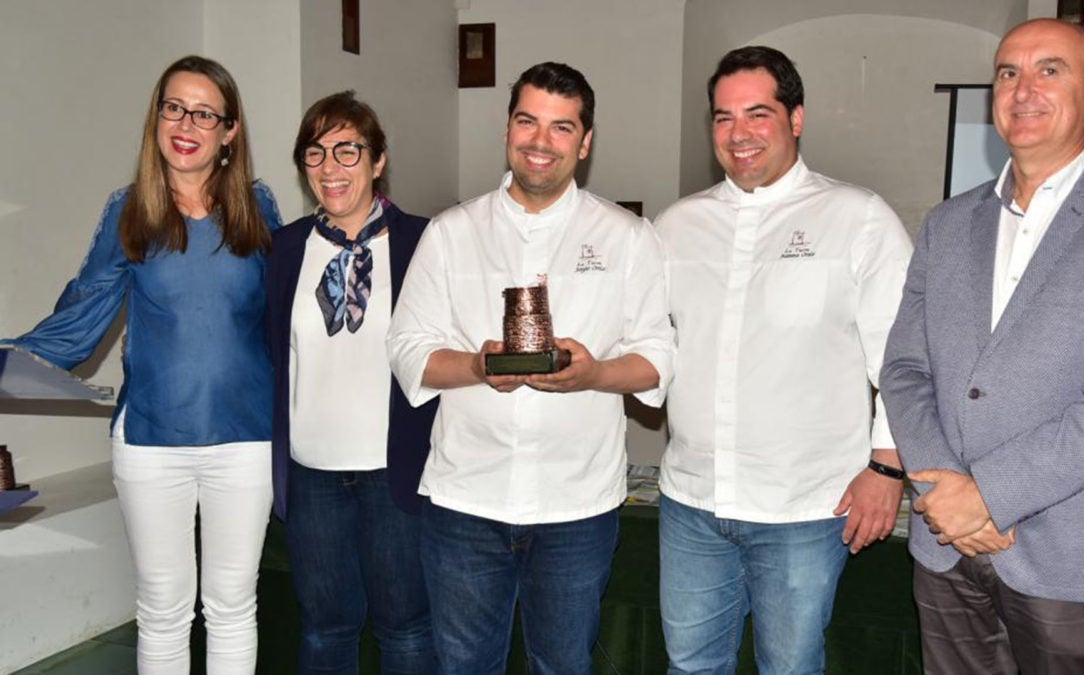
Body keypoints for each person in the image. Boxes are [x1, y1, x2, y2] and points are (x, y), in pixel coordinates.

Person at [880, 19, 1084, 674]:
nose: (1023, 89)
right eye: (1008, 73)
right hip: (944, 546)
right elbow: (906, 368)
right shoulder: (948, 224)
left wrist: (990, 495)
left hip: (1068, 551)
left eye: (1051, 70)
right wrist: (948, 495)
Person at [386, 61, 674, 674]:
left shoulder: (628, 237)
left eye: (562, 127)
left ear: (586, 141)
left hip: (576, 505)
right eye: (528, 121)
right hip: (465, 500)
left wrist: (593, 374)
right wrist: (476, 364)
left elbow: (655, 361)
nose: (541, 142)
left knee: (563, 666)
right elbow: (408, 348)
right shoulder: (450, 232)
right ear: (507, 128)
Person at [8, 56, 283, 672]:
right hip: (151, 443)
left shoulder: (258, 209)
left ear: (229, 131)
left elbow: (288, 316)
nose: (186, 123)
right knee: (162, 609)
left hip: (247, 440)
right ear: (157, 117)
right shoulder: (128, 209)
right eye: (173, 106)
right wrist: (7, 357)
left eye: (204, 113)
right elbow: (80, 315)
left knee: (233, 605)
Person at [654, 45, 913, 674]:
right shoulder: (676, 227)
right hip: (691, 505)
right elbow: (644, 346)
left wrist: (887, 469)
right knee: (689, 667)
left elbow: (904, 359)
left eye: (758, 114)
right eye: (722, 117)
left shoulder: (859, 219)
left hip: (804, 508)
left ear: (796, 118)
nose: (738, 134)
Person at [265, 91, 437, 674]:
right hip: (313, 475)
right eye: (315, 154)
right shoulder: (284, 249)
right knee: (324, 630)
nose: (330, 168)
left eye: (347, 150)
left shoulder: (423, 242)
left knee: (407, 628)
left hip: (396, 471)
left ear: (378, 160)